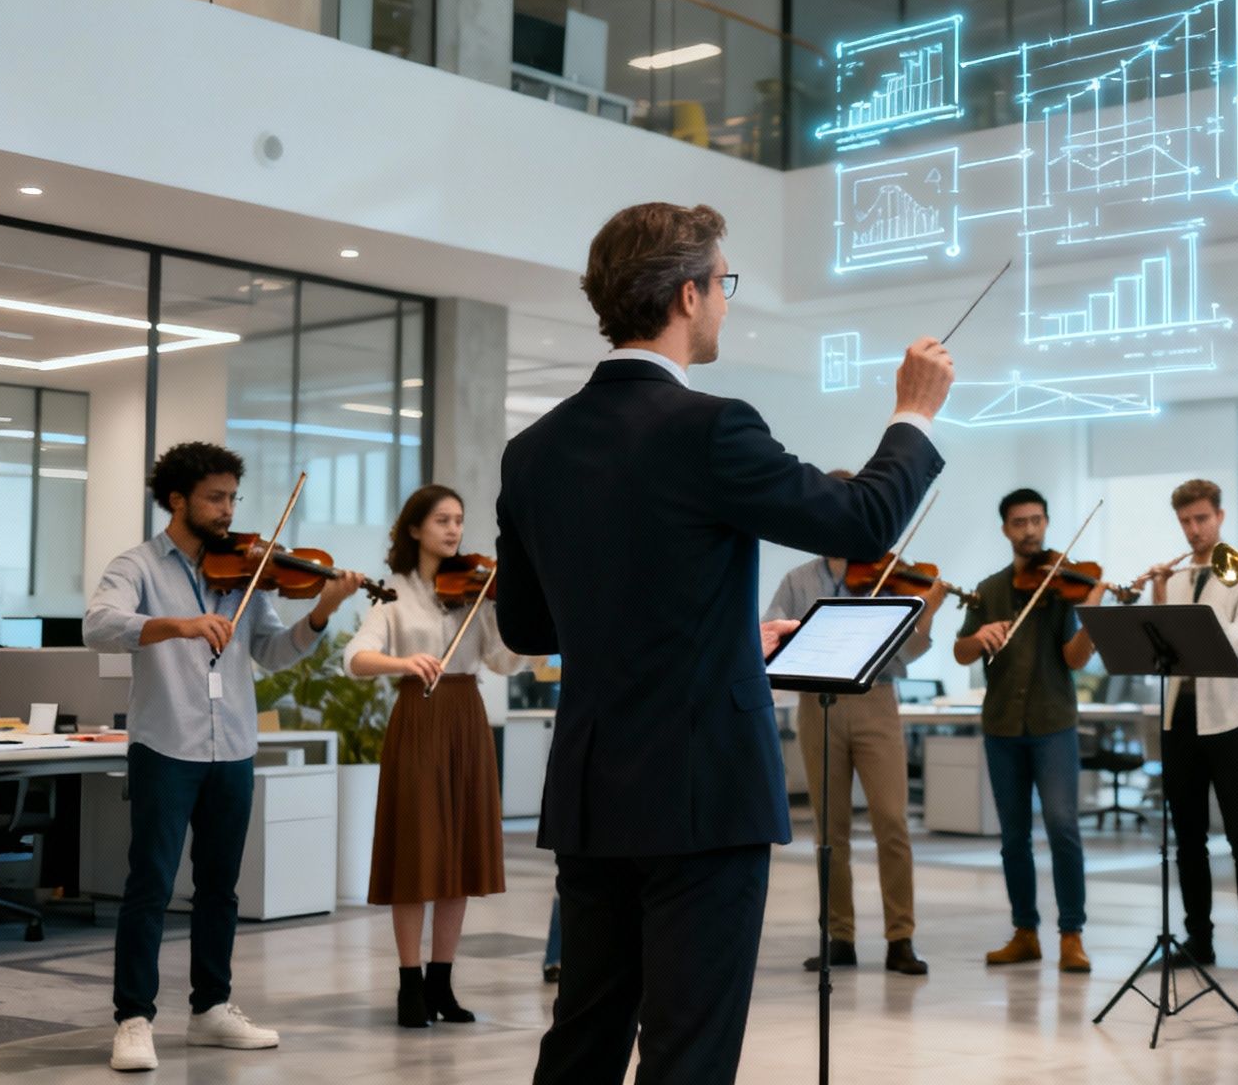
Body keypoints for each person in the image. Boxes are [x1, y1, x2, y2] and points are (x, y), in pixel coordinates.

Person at [495, 201, 952, 1085]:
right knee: (689, 1051)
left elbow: (531, 627)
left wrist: (727, 630)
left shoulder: (533, 449)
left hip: (594, 789)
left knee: (583, 1036)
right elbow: (863, 518)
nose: (727, 304)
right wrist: (913, 414)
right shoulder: (709, 427)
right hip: (703, 790)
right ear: (689, 293)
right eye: (724, 285)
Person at [86, 442, 365, 1073]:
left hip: (233, 744)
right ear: (178, 500)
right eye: (216, 497)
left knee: (220, 887)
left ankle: (211, 1008)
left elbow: (272, 651)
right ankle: (133, 1017)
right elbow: (99, 624)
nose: (228, 509)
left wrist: (321, 611)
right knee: (150, 885)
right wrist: (177, 624)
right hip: (165, 743)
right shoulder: (137, 565)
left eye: (233, 497)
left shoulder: (245, 568)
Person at [345, 484, 543, 1028]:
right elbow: (356, 657)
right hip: (418, 717)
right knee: (416, 853)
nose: (453, 530)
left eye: (458, 520)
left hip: (465, 717)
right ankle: (409, 985)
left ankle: (442, 984)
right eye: (441, 521)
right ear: (415, 529)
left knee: (458, 855)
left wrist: (516, 616)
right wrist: (403, 664)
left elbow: (504, 662)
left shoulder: (475, 591)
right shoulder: (392, 591)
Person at [763, 485, 950, 977]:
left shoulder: (889, 574)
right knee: (830, 829)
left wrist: (926, 611)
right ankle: (838, 936)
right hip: (818, 704)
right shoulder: (798, 579)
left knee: (892, 821)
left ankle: (900, 938)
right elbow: (769, 639)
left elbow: (907, 653)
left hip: (876, 700)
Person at [953, 489, 1102, 974]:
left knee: (1063, 828)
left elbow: (1074, 659)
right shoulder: (988, 589)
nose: (1030, 530)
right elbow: (961, 651)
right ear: (1006, 530)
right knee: (1013, 837)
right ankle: (1024, 931)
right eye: (1020, 522)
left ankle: (1072, 934)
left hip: (1053, 723)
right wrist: (978, 638)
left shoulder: (1062, 589)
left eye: (1037, 520)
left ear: (1046, 522)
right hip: (1001, 727)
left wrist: (1095, 618)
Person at [1133, 478, 1238, 980]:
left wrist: (1191, 623)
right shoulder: (1175, 575)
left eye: (1202, 519)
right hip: (1181, 716)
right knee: (1187, 837)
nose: (1194, 530)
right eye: (1186, 522)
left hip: (1232, 718)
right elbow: (1158, 647)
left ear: (1220, 516)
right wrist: (1155, 595)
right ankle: (1198, 939)